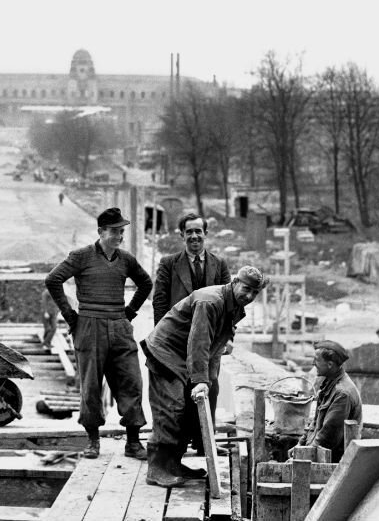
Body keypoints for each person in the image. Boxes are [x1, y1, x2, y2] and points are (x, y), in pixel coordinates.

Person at [142, 266, 268, 487]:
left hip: (184, 355)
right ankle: (157, 468)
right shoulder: (209, 301)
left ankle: (173, 463)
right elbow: (199, 341)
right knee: (172, 408)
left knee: (195, 405)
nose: (249, 296)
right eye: (246, 289)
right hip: (166, 352)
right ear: (235, 282)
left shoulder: (234, 304)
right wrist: (200, 380)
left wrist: (209, 380)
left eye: (254, 293)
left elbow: (217, 339)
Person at [45, 207, 153, 460]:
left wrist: (129, 312)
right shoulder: (81, 256)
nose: (120, 236)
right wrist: (71, 316)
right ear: (101, 232)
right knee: (91, 386)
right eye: (115, 231)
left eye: (122, 232)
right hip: (89, 325)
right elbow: (53, 280)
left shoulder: (125, 259)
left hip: (119, 325)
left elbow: (146, 282)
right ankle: (93, 441)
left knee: (131, 381)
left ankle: (133, 442)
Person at [152, 212, 231, 454]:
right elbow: (160, 302)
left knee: (210, 386)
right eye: (189, 232)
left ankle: (205, 441)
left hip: (209, 341)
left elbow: (230, 304)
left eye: (198, 231)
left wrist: (229, 338)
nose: (194, 236)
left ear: (206, 234)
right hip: (178, 340)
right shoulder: (169, 264)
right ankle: (179, 442)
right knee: (180, 389)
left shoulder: (219, 265)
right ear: (181, 235)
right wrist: (164, 336)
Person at [295, 340, 362, 462]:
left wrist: (302, 457)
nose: (313, 363)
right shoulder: (328, 384)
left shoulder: (342, 393)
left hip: (331, 462)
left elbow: (327, 438)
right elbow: (314, 424)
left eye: (317, 360)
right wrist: (300, 445)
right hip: (317, 454)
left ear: (330, 364)